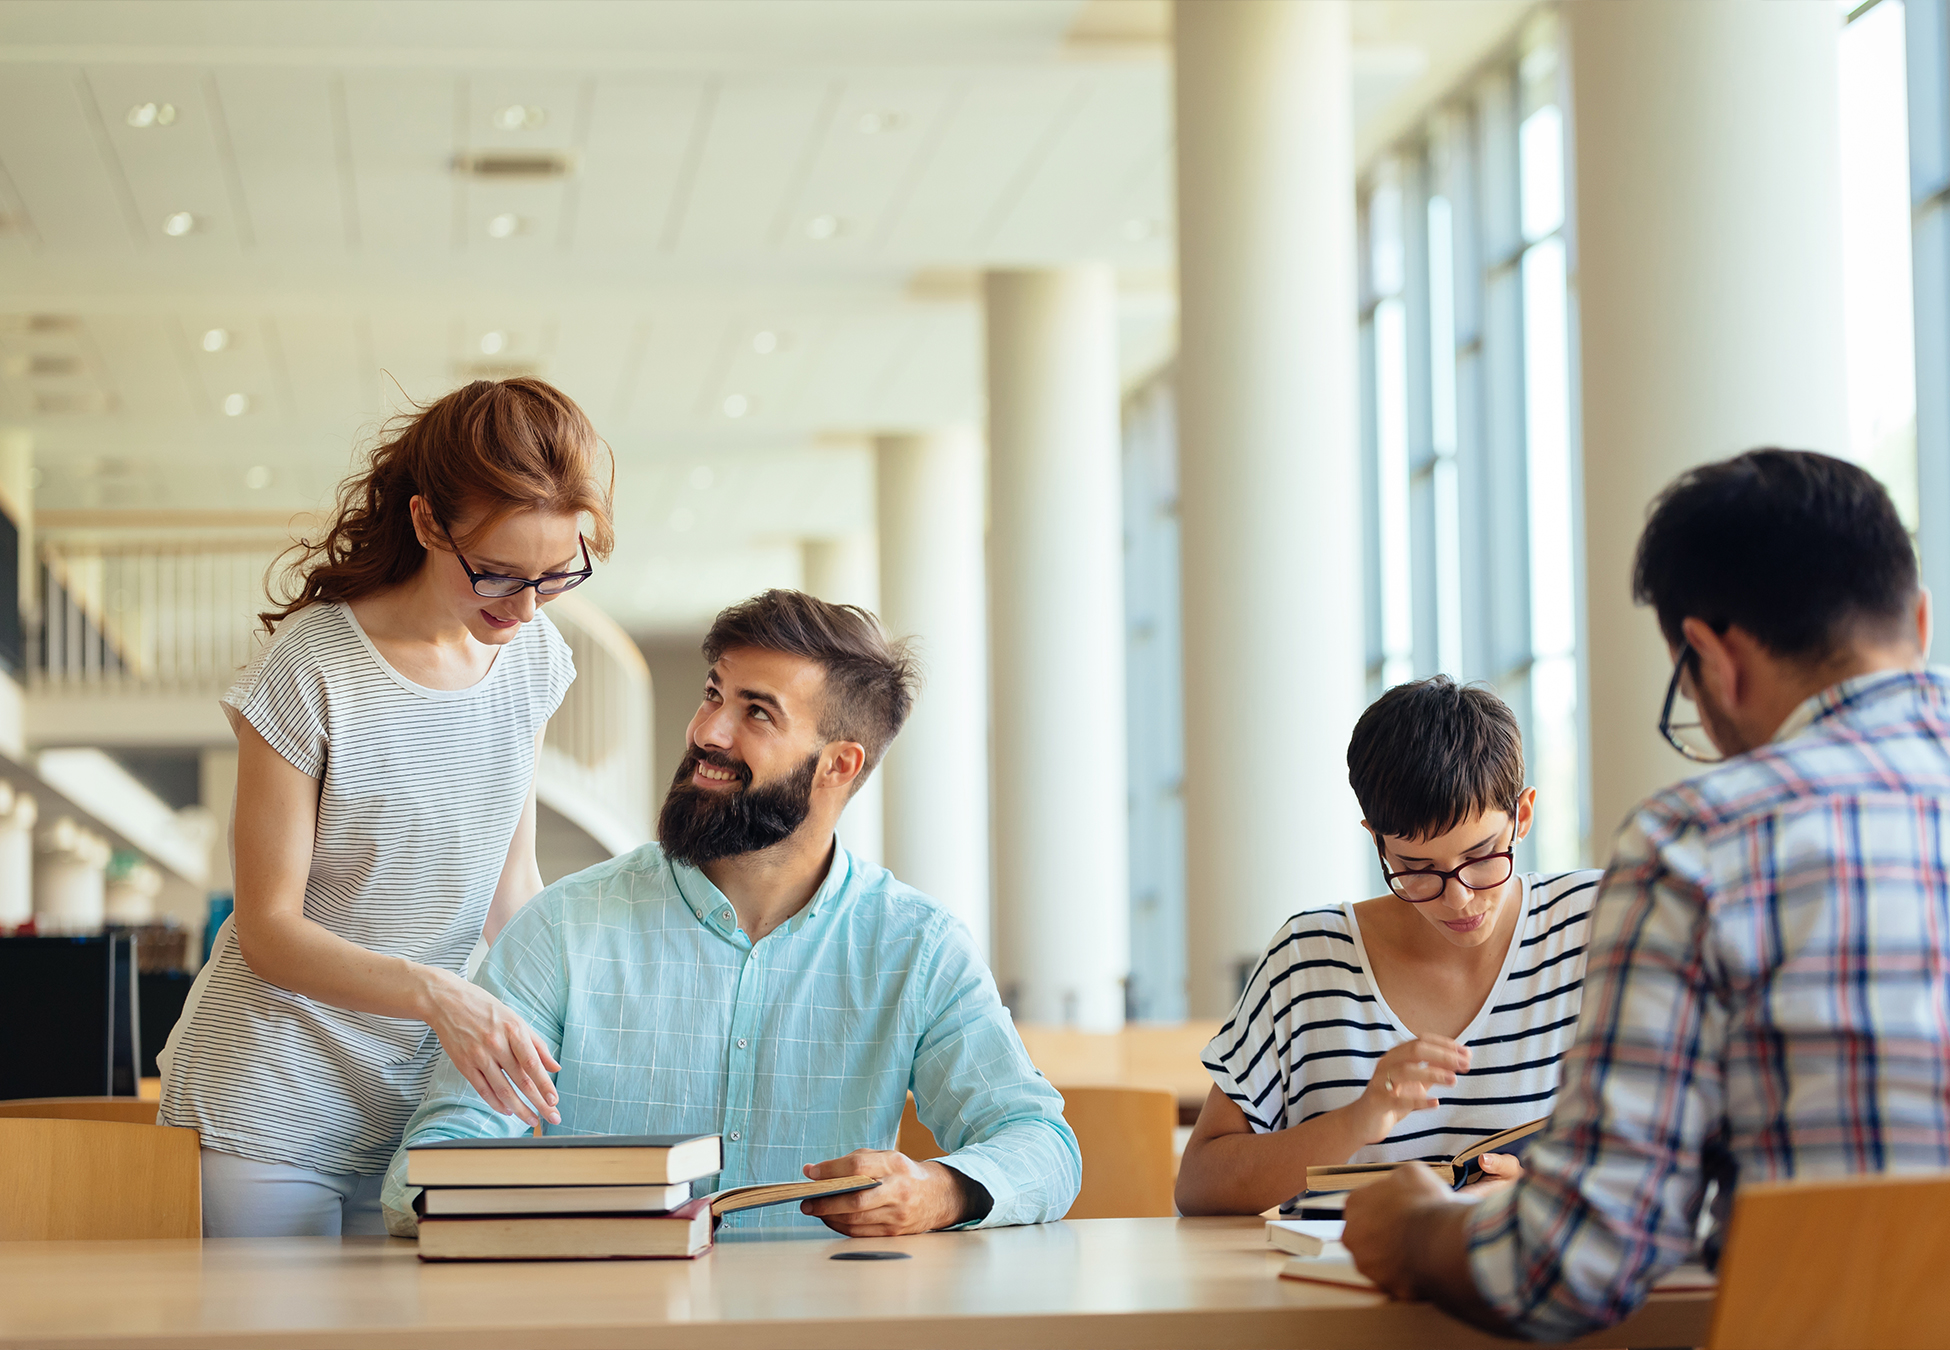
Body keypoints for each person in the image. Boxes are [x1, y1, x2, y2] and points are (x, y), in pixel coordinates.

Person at [1344, 448, 1950, 1340]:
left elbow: (1578, 1263)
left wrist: (1415, 1229)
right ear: (1921, 622)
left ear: (1711, 656)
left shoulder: (1705, 842)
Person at [380, 590, 1080, 1237]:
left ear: (837, 765)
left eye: (756, 712)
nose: (709, 731)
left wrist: (941, 1192)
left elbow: (1042, 1143)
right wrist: (583, 1212)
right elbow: (422, 1173)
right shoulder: (563, 930)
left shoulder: (917, 947)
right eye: (713, 694)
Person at [157, 378, 614, 1237]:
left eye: (556, 577)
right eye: (496, 574)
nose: (521, 610)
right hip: (269, 1100)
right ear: (428, 523)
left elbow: (511, 890)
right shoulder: (312, 669)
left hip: (419, 1113)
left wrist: (584, 1010)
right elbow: (267, 929)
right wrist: (439, 995)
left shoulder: (534, 660)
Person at [1176, 677, 1603, 1217]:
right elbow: (1199, 1186)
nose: (1460, 899)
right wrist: (1360, 1119)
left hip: (1526, 1288)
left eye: (1482, 854)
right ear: (1375, 838)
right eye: (1416, 869)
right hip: (1338, 1293)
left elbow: (1693, 1154)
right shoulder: (1308, 960)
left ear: (1523, 814)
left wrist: (1548, 1194)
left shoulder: (1598, 927)